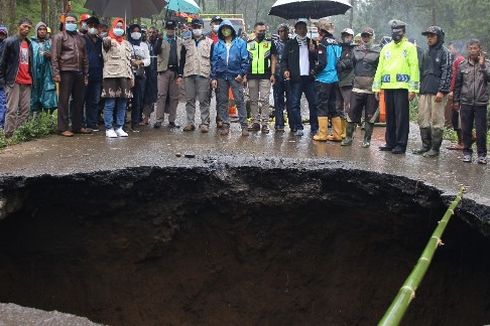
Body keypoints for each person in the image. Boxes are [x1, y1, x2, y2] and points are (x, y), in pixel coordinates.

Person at [372, 20, 419, 154]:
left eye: (398, 31)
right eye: (393, 31)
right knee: (390, 116)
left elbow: (414, 68)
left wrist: (413, 89)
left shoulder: (409, 47)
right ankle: (390, 142)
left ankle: (401, 144)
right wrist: (376, 87)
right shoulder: (386, 48)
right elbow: (380, 68)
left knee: (401, 117)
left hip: (402, 87)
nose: (396, 34)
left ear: (403, 32)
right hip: (388, 86)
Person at [413, 26, 452, 157]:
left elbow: (447, 72)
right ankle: (425, 146)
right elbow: (420, 71)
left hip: (438, 92)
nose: (429, 38)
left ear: (439, 37)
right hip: (424, 90)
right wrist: (418, 88)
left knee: (437, 120)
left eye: (432, 36)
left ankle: (435, 149)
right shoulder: (425, 52)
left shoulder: (445, 52)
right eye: (428, 36)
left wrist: (442, 91)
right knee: (422, 118)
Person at [51, 13, 90, 137]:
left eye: (73, 22)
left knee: (79, 100)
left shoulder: (80, 38)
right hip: (65, 71)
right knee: (64, 100)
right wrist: (56, 73)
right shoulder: (59, 36)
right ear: (64, 23)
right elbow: (55, 57)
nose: (71, 24)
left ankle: (77, 126)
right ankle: (62, 128)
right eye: (69, 22)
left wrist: (85, 74)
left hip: (79, 72)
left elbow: (85, 58)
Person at [341, 27, 381, 148]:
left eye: (368, 36)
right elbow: (352, 65)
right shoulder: (355, 50)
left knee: (370, 116)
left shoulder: (379, 51)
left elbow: (381, 69)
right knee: (351, 113)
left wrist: (379, 87)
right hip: (357, 88)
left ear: (373, 37)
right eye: (364, 36)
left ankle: (367, 140)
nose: (365, 38)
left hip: (371, 89)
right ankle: (348, 137)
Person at [211, 19, 250, 136]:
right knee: (222, 102)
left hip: (235, 75)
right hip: (221, 76)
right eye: (223, 29)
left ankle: (244, 126)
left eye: (227, 28)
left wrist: (242, 74)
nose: (225, 31)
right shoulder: (217, 45)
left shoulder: (240, 43)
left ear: (232, 29)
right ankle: (225, 124)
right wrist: (213, 78)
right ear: (221, 31)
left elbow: (245, 59)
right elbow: (214, 61)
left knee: (239, 100)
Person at [454, 39, 489, 164]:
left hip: (481, 102)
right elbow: (458, 84)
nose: (473, 50)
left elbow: (489, 78)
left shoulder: (486, 64)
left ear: (479, 49)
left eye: (475, 48)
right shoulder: (463, 65)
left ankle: (482, 154)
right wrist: (456, 101)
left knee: (481, 130)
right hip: (466, 102)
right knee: (466, 129)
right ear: (468, 50)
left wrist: (483, 65)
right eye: (471, 48)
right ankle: (467, 152)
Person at [281, 19, 318, 136]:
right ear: (296, 30)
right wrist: (285, 70)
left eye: (304, 28)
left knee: (313, 103)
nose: (303, 30)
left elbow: (318, 60)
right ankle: (298, 126)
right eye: (300, 28)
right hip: (296, 79)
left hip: (309, 78)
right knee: (294, 104)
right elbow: (283, 61)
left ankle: (314, 127)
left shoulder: (311, 42)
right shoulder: (290, 44)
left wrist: (313, 51)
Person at [0, 18, 34, 138]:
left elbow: (30, 63)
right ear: (18, 26)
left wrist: (32, 79)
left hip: (27, 81)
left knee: (25, 111)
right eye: (24, 26)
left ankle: (18, 134)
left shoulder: (29, 44)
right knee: (12, 110)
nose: (26, 29)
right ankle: (8, 135)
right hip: (13, 81)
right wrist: (3, 81)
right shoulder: (9, 41)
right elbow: (2, 63)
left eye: (29, 28)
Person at [101, 18, 134, 138]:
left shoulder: (126, 43)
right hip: (111, 75)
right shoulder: (108, 40)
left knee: (123, 103)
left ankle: (119, 126)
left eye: (121, 27)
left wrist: (131, 77)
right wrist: (106, 38)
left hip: (125, 76)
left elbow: (129, 61)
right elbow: (105, 46)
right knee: (110, 103)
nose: (119, 29)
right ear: (112, 27)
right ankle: (109, 128)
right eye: (117, 27)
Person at [180, 18, 213, 133]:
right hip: (189, 73)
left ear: (202, 28)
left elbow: (213, 60)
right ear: (191, 28)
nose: (196, 29)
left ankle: (204, 123)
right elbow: (182, 59)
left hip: (204, 74)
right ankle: (190, 122)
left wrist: (212, 76)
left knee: (204, 100)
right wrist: (180, 74)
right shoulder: (186, 42)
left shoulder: (210, 42)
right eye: (194, 27)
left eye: (198, 27)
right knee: (189, 99)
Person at [312, 18, 342, 142]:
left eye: (318, 29)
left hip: (324, 79)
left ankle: (322, 134)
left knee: (322, 106)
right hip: (335, 78)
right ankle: (337, 134)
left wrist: (314, 71)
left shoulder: (323, 43)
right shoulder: (336, 42)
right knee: (333, 106)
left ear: (321, 30)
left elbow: (322, 62)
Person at [246, 22, 277, 134]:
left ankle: (264, 123)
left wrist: (273, 74)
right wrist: (245, 75)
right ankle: (255, 122)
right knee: (253, 100)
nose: (262, 33)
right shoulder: (249, 43)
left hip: (266, 75)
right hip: (251, 75)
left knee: (264, 99)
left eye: (264, 31)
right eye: (260, 31)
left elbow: (273, 59)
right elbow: (245, 60)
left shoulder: (269, 43)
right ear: (255, 31)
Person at [154, 20, 183, 129]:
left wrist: (180, 74)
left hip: (175, 72)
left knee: (174, 97)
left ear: (175, 29)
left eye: (173, 28)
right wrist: (159, 40)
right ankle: (159, 120)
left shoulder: (180, 41)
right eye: (169, 28)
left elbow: (182, 57)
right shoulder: (161, 40)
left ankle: (172, 120)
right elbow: (155, 52)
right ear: (166, 29)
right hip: (163, 71)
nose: (171, 30)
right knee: (161, 95)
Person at [31, 22, 57, 114]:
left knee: (47, 94)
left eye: (44, 29)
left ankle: (47, 117)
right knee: (34, 95)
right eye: (40, 29)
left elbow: (56, 57)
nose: (42, 31)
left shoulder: (50, 43)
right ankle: (34, 117)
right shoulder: (31, 43)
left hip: (47, 73)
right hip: (34, 73)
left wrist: (50, 55)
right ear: (36, 31)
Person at [128, 23, 150, 131]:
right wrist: (131, 61)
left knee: (137, 100)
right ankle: (121, 123)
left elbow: (148, 60)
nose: (136, 33)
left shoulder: (144, 45)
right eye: (133, 31)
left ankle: (135, 122)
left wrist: (140, 61)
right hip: (128, 74)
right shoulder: (126, 44)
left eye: (138, 31)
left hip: (140, 75)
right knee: (125, 99)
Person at [83, 16, 103, 131]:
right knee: (82, 99)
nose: (93, 28)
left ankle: (92, 123)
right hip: (85, 74)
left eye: (95, 26)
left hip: (97, 74)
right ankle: (81, 122)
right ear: (87, 26)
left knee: (95, 100)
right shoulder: (82, 39)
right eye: (91, 26)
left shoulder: (100, 41)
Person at [446, 41, 466, 150]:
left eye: (451, 49)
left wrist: (453, 90)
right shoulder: (455, 61)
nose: (449, 51)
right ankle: (461, 141)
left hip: (459, 94)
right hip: (455, 92)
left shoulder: (460, 60)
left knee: (458, 117)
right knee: (454, 117)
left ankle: (463, 142)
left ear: (456, 50)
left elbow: (457, 78)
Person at [336, 28, 355, 139]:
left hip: (348, 81)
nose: (346, 37)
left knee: (349, 107)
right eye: (345, 35)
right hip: (338, 80)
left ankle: (349, 131)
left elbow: (351, 61)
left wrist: (343, 63)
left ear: (352, 37)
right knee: (338, 107)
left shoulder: (354, 49)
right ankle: (340, 130)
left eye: (348, 35)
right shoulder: (339, 47)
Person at [272, 23, 290, 132]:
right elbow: (273, 58)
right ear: (278, 32)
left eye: (285, 31)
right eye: (281, 31)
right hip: (278, 75)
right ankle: (279, 123)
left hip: (289, 74)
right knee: (278, 99)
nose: (283, 33)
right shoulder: (274, 44)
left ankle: (292, 122)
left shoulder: (292, 43)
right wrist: (273, 74)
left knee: (291, 100)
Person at [142, 26, 159, 125]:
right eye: (150, 32)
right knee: (147, 96)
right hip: (147, 72)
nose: (152, 34)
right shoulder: (145, 44)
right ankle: (146, 117)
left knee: (156, 96)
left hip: (157, 72)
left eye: (154, 32)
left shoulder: (159, 43)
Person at [0, 25, 9, 129]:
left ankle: (1, 125)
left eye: (3, 34)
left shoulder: (7, 46)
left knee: (3, 102)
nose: (1, 36)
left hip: (3, 80)